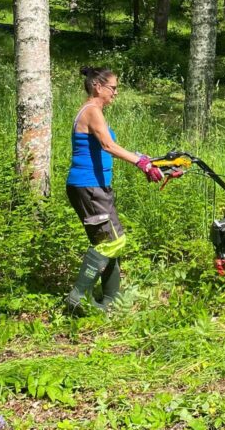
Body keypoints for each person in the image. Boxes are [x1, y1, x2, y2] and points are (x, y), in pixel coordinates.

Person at [64, 67, 162, 316]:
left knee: (108, 242)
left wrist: (141, 156)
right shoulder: (92, 111)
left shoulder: (94, 112)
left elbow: (109, 144)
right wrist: (140, 164)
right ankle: (77, 299)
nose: (115, 93)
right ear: (98, 85)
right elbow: (108, 146)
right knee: (114, 241)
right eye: (113, 88)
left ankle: (109, 300)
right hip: (89, 186)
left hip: (94, 186)